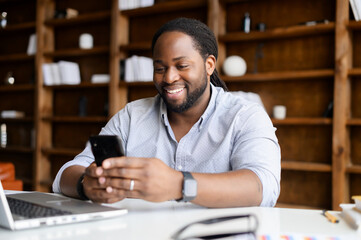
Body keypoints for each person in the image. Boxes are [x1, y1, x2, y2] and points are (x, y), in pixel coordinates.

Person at [53, 17, 280, 208]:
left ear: (209, 65)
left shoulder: (246, 116)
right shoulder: (132, 115)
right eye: (160, 68)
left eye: (182, 66)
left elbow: (263, 186)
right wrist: (86, 184)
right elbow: (67, 173)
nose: (169, 78)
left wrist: (178, 184)